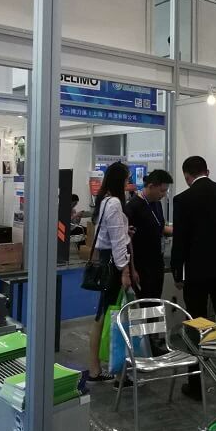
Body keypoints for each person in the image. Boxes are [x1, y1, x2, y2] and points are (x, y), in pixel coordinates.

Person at [171, 156, 216, 400]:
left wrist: (177, 272)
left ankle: (195, 384)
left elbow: (180, 241)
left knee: (196, 323)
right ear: (207, 171)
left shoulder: (182, 199)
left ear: (186, 176)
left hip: (196, 272)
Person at [86, 162, 139, 384]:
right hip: (115, 266)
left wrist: (125, 231)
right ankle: (116, 371)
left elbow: (112, 234)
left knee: (103, 315)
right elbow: (118, 243)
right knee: (115, 316)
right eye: (126, 179)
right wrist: (125, 271)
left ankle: (96, 369)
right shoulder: (115, 203)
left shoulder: (104, 201)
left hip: (108, 262)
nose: (128, 183)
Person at [124, 170, 173, 302]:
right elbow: (127, 241)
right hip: (141, 265)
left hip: (157, 262)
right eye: (162, 191)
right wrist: (131, 270)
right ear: (151, 186)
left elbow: (159, 227)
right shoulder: (133, 207)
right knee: (145, 304)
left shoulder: (157, 203)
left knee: (156, 301)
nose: (164, 194)